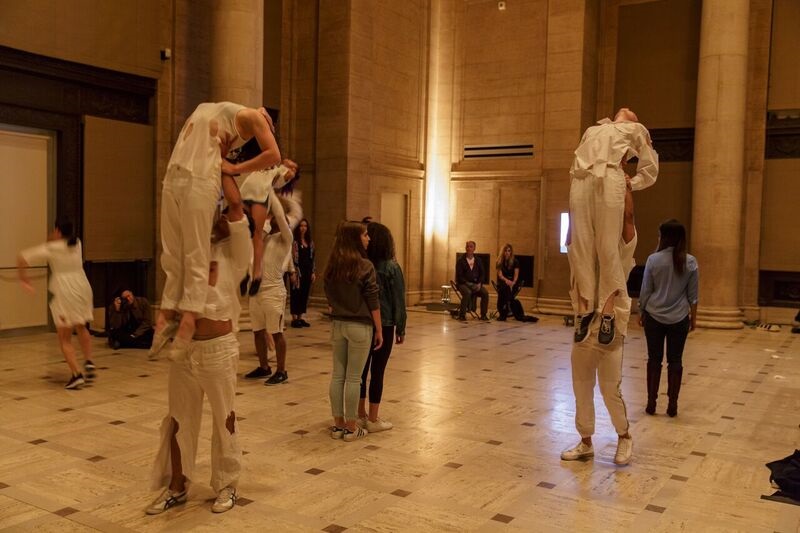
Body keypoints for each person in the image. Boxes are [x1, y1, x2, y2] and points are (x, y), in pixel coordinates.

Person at [151, 102, 281, 363]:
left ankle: (189, 315)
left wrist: (232, 168)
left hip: (200, 179)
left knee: (194, 252)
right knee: (173, 249)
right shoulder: (227, 113)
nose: (268, 125)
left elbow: (274, 155)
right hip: (176, 172)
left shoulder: (249, 118)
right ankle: (168, 311)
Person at [148, 195, 253, 516]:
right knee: (179, 418)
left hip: (218, 348)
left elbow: (236, 207)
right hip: (185, 349)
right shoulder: (188, 250)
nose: (216, 217)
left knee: (224, 419)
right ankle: (177, 485)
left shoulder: (236, 250)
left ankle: (227, 484)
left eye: (220, 212)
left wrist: (224, 176)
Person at [561, 182, 637, 466]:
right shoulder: (581, 251)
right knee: (581, 387)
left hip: (611, 330)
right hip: (584, 328)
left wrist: (623, 188)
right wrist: (577, 192)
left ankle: (624, 436)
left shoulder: (618, 250)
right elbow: (572, 232)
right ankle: (585, 442)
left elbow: (628, 219)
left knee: (609, 388)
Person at [568, 107, 658, 344]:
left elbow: (650, 165)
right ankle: (585, 308)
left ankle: (607, 312)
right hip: (580, 179)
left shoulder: (636, 128)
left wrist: (633, 183)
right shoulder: (592, 130)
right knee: (581, 247)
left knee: (607, 247)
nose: (627, 108)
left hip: (610, 178)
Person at [17, 219, 95, 389]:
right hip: (83, 287)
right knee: (81, 326)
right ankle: (89, 361)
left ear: (58, 231)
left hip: (65, 291)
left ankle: (76, 375)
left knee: (64, 337)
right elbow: (60, 243)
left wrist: (24, 279)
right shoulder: (77, 243)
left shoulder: (52, 248)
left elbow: (22, 257)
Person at [324, 221, 382, 442]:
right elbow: (373, 300)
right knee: (354, 378)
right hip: (360, 326)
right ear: (355, 239)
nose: (369, 238)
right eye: (365, 235)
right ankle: (351, 428)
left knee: (338, 376)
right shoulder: (365, 266)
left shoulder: (332, 265)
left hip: (337, 325)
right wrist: (379, 329)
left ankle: (338, 425)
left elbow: (328, 296)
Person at [638, 219, 698, 417]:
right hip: (679, 318)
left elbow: (646, 290)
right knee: (676, 361)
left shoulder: (653, 260)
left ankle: (651, 403)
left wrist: (641, 311)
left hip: (654, 316)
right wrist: (693, 319)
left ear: (663, 237)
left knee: (654, 360)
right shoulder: (690, 261)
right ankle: (673, 405)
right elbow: (693, 295)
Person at [244, 189, 302, 385]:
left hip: (273, 291)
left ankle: (281, 370)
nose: (276, 219)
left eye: (279, 218)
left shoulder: (286, 239)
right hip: (257, 292)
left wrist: (273, 195)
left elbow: (282, 215)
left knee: (276, 332)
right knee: (257, 331)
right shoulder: (264, 237)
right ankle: (264, 367)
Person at [357, 222, 406, 433]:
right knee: (378, 371)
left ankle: (360, 414)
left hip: (363, 322)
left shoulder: (362, 264)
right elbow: (398, 301)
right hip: (384, 325)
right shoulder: (391, 267)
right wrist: (401, 328)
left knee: (360, 371)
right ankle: (373, 418)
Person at [494, 244, 537, 322]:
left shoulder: (515, 261)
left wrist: (513, 283)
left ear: (511, 252)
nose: (507, 252)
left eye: (509, 251)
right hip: (503, 281)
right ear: (502, 252)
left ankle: (503, 313)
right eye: (505, 251)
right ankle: (512, 308)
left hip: (513, 282)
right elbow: (500, 275)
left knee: (504, 291)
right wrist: (507, 281)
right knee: (504, 288)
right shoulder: (499, 261)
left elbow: (516, 275)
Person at [289, 218, 316, 328]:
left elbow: (312, 258)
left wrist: (313, 272)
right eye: (301, 226)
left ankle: (300, 317)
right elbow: (291, 258)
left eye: (305, 226)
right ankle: (294, 318)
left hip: (307, 271)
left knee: (304, 293)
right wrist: (292, 272)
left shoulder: (310, 242)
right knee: (296, 293)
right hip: (297, 271)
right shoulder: (294, 242)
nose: (303, 228)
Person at [455, 241, 489, 321]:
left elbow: (482, 274)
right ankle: (462, 315)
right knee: (467, 292)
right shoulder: (460, 260)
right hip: (463, 284)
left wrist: (479, 284)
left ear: (474, 248)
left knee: (485, 293)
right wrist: (469, 284)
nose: (469, 248)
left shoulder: (478, 260)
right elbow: (459, 276)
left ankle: (483, 315)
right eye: (467, 246)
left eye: (471, 247)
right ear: (465, 248)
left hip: (476, 284)